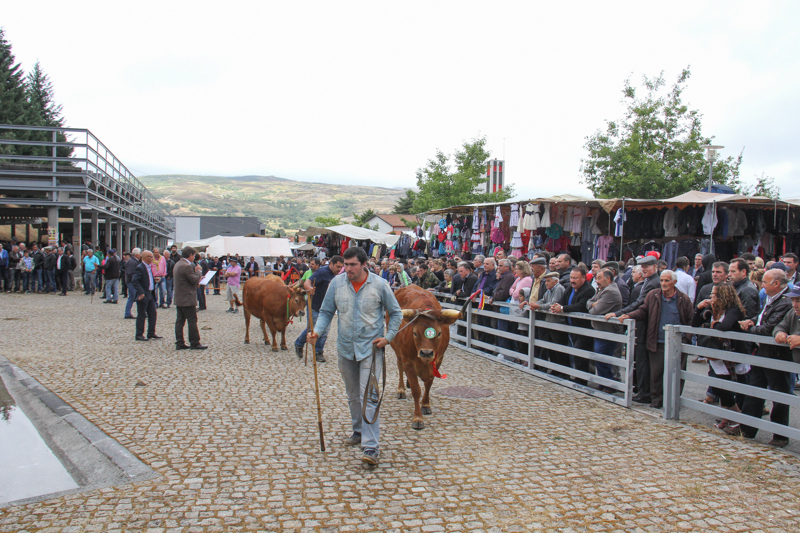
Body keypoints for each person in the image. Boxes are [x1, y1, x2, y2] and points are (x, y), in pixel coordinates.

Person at [307, 247, 402, 466]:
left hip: (371, 348)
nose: (347, 269)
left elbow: (395, 313)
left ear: (363, 264)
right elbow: (326, 312)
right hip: (345, 347)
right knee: (352, 395)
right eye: (345, 265)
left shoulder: (380, 284)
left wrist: (388, 338)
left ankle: (371, 447)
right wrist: (317, 332)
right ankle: (358, 431)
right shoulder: (337, 284)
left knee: (369, 396)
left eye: (352, 265)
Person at [732, 269, 793, 447]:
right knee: (755, 389)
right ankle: (747, 429)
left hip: (777, 354)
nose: (762, 286)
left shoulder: (786, 301)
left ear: (776, 284)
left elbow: (769, 328)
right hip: (762, 351)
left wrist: (748, 329)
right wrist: (752, 321)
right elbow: (762, 319)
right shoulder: (770, 297)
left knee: (779, 394)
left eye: (765, 282)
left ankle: (780, 435)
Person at [619, 270, 693, 409]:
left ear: (674, 282)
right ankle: (657, 399)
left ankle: (673, 400)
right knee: (656, 373)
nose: (664, 283)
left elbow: (690, 319)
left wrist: (687, 338)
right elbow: (643, 311)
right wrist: (628, 315)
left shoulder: (683, 298)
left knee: (676, 373)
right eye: (662, 281)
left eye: (667, 281)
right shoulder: (653, 295)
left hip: (677, 342)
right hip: (657, 341)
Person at [695, 282, 748, 429]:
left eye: (713, 294)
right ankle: (729, 417)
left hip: (733, 354)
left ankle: (737, 417)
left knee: (728, 387)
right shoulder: (712, 309)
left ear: (722, 295)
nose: (711, 296)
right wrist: (699, 309)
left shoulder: (734, 309)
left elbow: (724, 326)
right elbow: (695, 323)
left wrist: (713, 325)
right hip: (717, 354)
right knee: (719, 386)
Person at [551, 265, 596, 383]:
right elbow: (562, 301)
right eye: (571, 278)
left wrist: (562, 308)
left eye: (575, 278)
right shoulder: (570, 288)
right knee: (573, 351)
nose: (572, 280)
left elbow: (581, 306)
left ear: (583, 278)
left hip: (583, 327)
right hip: (571, 327)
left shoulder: (589, 290)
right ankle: (574, 375)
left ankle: (581, 380)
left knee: (580, 352)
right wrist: (556, 306)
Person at [295, 255, 344, 363]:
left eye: (341, 267)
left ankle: (318, 352)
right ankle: (299, 343)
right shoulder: (322, 272)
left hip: (327, 308)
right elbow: (307, 282)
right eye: (337, 267)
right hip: (315, 306)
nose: (339, 270)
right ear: (331, 264)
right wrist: (310, 288)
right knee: (312, 329)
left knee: (324, 331)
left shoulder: (337, 276)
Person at [588, 268, 623, 388]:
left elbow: (594, 311)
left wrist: (593, 305)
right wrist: (593, 303)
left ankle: (608, 384)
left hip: (608, 330)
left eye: (599, 278)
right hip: (601, 330)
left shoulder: (610, 292)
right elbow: (588, 303)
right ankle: (604, 383)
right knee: (600, 357)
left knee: (603, 357)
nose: (596, 281)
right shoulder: (602, 290)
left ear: (608, 278)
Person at [173, 246, 207, 350]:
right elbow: (193, 280)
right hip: (187, 297)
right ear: (191, 255)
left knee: (180, 320)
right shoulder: (186, 266)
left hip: (179, 297)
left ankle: (179, 342)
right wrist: (198, 272)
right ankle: (194, 342)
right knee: (192, 320)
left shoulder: (178, 264)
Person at [131, 250, 161, 341]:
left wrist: (153, 280)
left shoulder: (149, 267)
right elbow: (135, 280)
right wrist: (141, 292)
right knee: (141, 314)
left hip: (150, 293)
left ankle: (151, 332)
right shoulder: (140, 267)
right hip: (144, 294)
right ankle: (139, 334)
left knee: (153, 313)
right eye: (150, 257)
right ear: (145, 258)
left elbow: (146, 278)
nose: (152, 258)